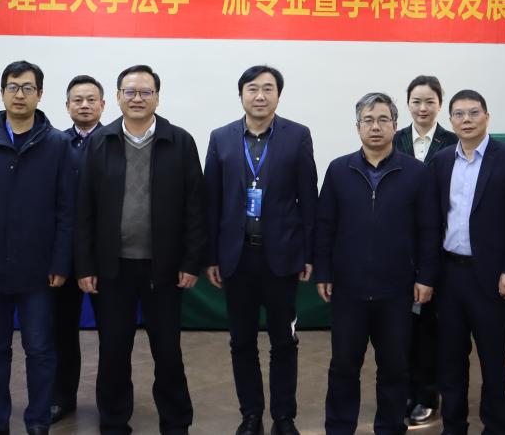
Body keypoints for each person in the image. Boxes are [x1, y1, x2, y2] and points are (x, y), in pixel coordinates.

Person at [74, 65, 206, 435]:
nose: (137, 98)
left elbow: (196, 207)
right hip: (112, 268)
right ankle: (114, 421)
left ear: (157, 98)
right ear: (117, 97)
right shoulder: (100, 143)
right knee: (114, 351)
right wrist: (85, 265)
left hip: (164, 269)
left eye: (145, 92)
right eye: (129, 92)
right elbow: (84, 210)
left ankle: (176, 422)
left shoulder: (179, 142)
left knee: (168, 351)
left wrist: (191, 261)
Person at [0, 61, 74, 435]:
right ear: (2, 92)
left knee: (39, 348)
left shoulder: (57, 144)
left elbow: (66, 210)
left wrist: (61, 262)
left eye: (27, 88)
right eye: (12, 87)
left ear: (40, 94)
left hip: (39, 270)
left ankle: (37, 420)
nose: (19, 95)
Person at [315, 92, 439, 435]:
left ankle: (390, 427)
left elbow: (429, 229)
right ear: (357, 127)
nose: (375, 127)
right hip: (348, 289)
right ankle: (339, 427)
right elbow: (324, 225)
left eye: (383, 120)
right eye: (368, 120)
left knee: (395, 368)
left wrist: (426, 276)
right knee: (343, 367)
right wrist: (323, 271)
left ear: (395, 126)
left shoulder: (415, 173)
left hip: (397, 290)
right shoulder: (339, 170)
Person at [205, 65, 317, 435]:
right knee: (242, 342)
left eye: (268, 88)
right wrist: (211, 256)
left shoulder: (297, 136)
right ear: (241, 94)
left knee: (284, 341)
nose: (260, 96)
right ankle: (250, 415)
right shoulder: (221, 138)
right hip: (237, 258)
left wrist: (309, 253)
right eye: (252, 88)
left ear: (278, 95)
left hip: (281, 258)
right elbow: (212, 202)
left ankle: (284, 417)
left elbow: (308, 199)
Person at [428, 89, 505, 435]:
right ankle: (454, 426)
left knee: (493, 360)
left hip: (491, 277)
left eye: (474, 113)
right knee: (450, 360)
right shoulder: (442, 161)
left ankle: (498, 427)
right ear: (451, 120)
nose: (467, 120)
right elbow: (434, 220)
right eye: (459, 114)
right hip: (449, 276)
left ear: (487, 117)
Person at [392, 75, 458, 427]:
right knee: (400, 327)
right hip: (400, 246)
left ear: (439, 105)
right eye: (416, 101)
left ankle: (428, 395)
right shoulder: (394, 138)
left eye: (429, 101)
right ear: (407, 104)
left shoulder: (453, 141)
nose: (422, 108)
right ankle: (404, 391)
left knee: (429, 328)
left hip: (439, 244)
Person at [51, 74, 106, 423]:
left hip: (105, 256)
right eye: (77, 100)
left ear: (103, 104)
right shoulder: (55, 144)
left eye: (91, 99)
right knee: (62, 332)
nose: (84, 105)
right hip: (64, 255)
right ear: (67, 105)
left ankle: (110, 402)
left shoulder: (115, 141)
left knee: (112, 334)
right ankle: (62, 396)